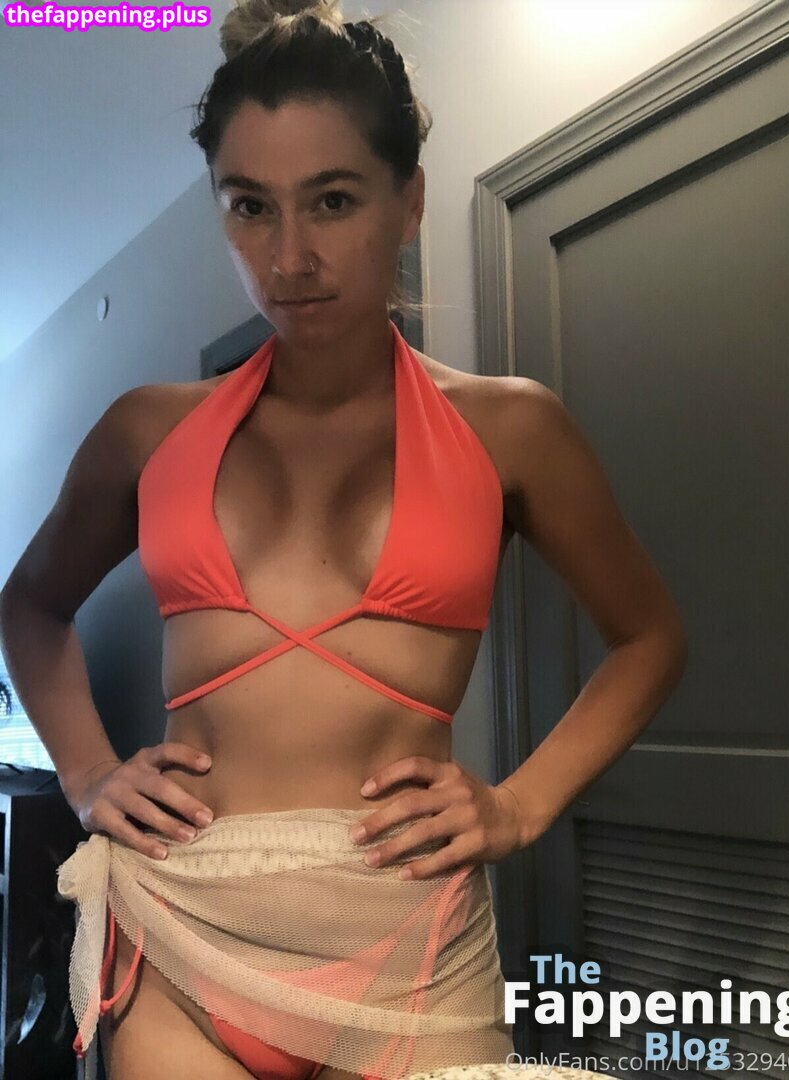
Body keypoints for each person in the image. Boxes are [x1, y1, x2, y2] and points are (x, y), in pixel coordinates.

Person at [0, 1, 688, 1078]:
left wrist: (520, 804)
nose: (289, 256)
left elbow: (648, 638)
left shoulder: (510, 430)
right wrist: (87, 776)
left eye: (331, 200)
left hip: (410, 945)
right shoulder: (148, 430)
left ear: (408, 202)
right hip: (184, 934)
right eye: (249, 206)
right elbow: (31, 605)